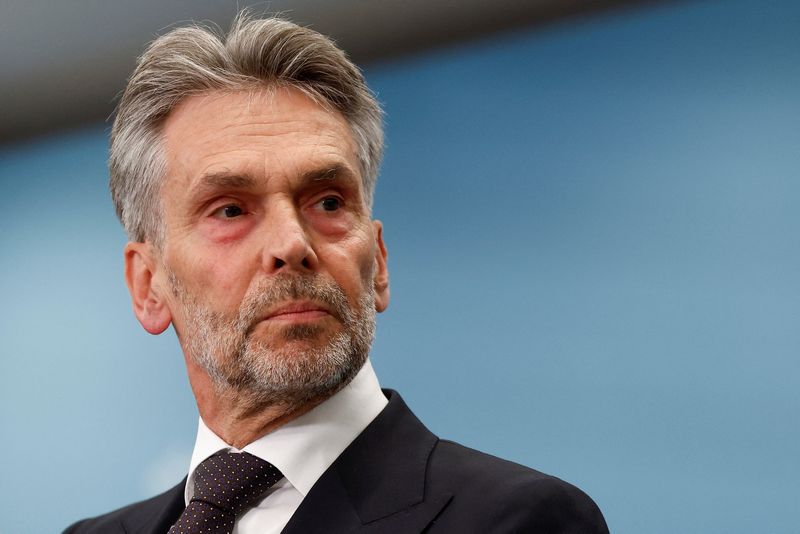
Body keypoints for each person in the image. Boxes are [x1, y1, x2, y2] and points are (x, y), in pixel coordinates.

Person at [65, 13, 609, 534]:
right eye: (230, 210)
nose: (292, 244)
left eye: (327, 201)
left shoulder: (518, 520)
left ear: (378, 263)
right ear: (148, 285)